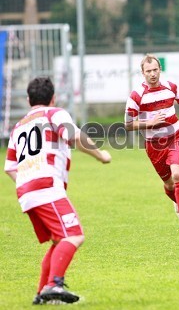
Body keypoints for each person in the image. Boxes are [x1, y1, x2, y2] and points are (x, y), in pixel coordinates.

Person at [4, 77, 112, 305]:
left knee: (58, 240)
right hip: (45, 186)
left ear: (28, 100)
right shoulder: (54, 113)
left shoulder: (19, 125)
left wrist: (26, 182)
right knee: (74, 235)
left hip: (25, 190)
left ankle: (42, 293)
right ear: (53, 98)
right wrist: (100, 154)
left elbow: (9, 167)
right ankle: (55, 284)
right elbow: (73, 136)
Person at [124, 54, 179, 231]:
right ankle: (178, 202)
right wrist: (150, 123)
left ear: (160, 69)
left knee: (177, 174)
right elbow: (128, 124)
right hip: (154, 145)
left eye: (155, 70)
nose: (152, 74)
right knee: (169, 184)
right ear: (142, 73)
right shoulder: (137, 96)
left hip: (175, 137)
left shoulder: (171, 87)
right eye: (148, 71)